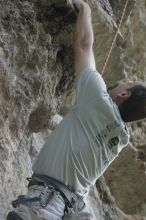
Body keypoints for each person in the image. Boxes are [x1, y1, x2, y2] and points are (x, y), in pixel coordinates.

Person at [7, 0, 146, 220]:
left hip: (48, 203)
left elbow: (83, 44)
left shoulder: (98, 99)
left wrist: (85, 8)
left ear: (124, 95)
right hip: (71, 208)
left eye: (125, 83)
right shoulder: (120, 140)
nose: (119, 83)